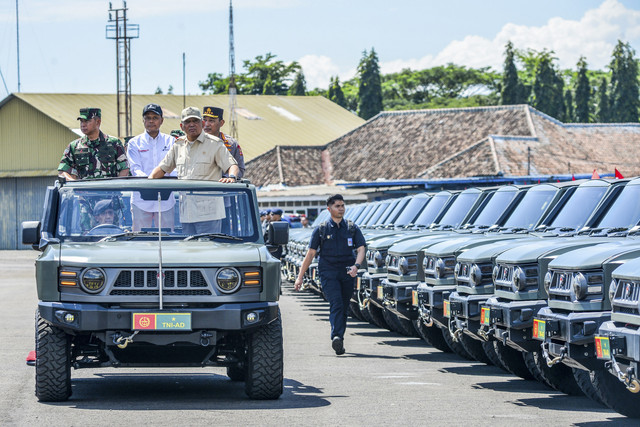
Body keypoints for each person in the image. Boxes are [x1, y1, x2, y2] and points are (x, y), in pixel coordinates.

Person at [149, 107, 240, 235]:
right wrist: (148, 183)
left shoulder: (214, 144)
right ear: (182, 126)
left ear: (202, 124)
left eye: (195, 121)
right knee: (188, 253)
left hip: (209, 214)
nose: (191, 124)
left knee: (207, 252)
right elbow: (162, 169)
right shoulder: (178, 146)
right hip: (186, 214)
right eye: (188, 122)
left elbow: (232, 165)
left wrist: (232, 177)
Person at [294, 194, 366, 355]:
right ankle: (337, 336)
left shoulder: (352, 227)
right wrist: (300, 277)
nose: (341, 208)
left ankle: (339, 337)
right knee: (337, 303)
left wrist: (356, 266)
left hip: (347, 271)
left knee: (344, 306)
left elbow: (361, 249)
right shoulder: (321, 229)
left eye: (342, 205)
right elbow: (310, 254)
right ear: (329, 209)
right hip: (328, 271)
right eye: (337, 206)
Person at [127, 103, 176, 231]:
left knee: (167, 240)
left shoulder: (171, 141)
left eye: (155, 117)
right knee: (140, 241)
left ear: (161, 120)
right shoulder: (134, 143)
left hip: (165, 199)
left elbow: (175, 168)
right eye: (148, 118)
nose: (151, 121)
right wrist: (150, 183)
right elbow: (135, 169)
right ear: (143, 120)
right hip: (141, 199)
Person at [58, 108, 129, 180]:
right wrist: (75, 185)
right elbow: (63, 171)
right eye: (81, 121)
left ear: (98, 122)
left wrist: (116, 187)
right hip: (84, 190)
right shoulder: (74, 146)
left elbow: (125, 169)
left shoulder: (114, 143)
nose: (83, 125)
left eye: (87, 121)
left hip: (109, 190)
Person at [202, 106, 245, 179]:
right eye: (204, 120)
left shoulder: (231, 144)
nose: (207, 124)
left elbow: (240, 169)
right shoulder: (195, 141)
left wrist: (226, 178)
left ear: (221, 123)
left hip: (224, 186)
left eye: (211, 121)